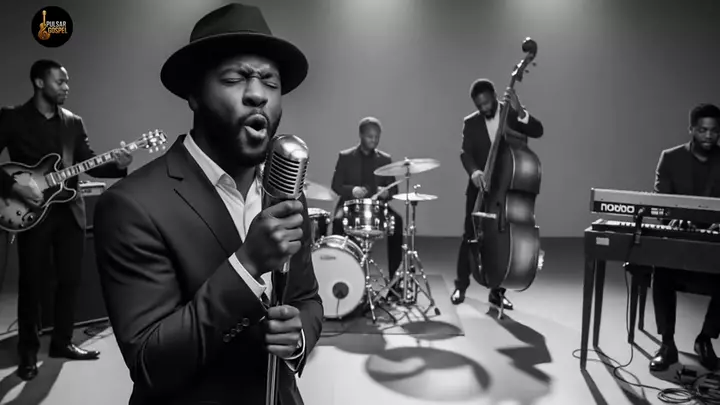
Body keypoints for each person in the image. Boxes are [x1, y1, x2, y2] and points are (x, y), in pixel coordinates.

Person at [92, 4, 323, 404]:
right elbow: (150, 362)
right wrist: (247, 265)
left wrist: (299, 335)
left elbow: (307, 299)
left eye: (270, 82)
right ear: (194, 95)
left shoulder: (287, 192)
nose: (257, 95)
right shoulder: (130, 205)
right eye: (234, 78)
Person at [0, 59, 132, 381]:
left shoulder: (73, 122)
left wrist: (119, 164)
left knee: (70, 281)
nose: (66, 87)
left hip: (70, 212)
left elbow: (89, 162)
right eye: (60, 81)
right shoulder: (12, 118)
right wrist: (15, 187)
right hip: (32, 214)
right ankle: (28, 353)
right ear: (39, 82)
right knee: (31, 284)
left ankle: (62, 342)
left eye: (68, 82)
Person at [450, 79, 544, 308]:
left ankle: (497, 292)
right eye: (479, 105)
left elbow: (537, 130)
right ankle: (461, 285)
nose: (484, 108)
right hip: (479, 188)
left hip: (506, 188)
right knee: (470, 236)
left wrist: (521, 112)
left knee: (503, 240)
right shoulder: (471, 123)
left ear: (494, 95)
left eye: (487, 102)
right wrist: (474, 171)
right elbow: (465, 153)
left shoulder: (512, 113)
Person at [649, 103, 720, 372]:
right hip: (678, 245)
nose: (709, 136)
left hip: (714, 248)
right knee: (661, 268)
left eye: (714, 131)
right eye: (702, 130)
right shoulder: (670, 158)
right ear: (691, 129)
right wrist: (673, 220)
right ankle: (667, 344)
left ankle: (705, 339)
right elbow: (661, 203)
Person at [330, 117, 404, 288]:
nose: (374, 140)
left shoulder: (384, 159)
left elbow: (394, 189)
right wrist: (352, 190)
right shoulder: (346, 157)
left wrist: (386, 193)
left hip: (376, 208)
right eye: (370, 137)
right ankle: (338, 277)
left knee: (397, 222)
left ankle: (394, 281)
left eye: (377, 137)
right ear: (361, 135)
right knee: (337, 222)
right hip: (350, 206)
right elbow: (336, 185)